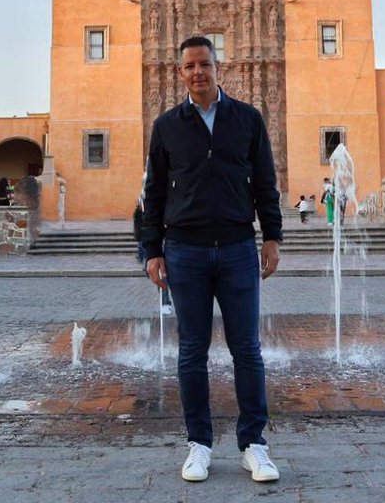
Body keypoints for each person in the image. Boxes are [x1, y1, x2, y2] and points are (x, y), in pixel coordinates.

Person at [141, 35, 282, 484]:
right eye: (189, 66)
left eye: (204, 64)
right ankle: (198, 443)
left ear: (218, 67)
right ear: (179, 73)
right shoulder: (166, 126)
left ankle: (254, 444)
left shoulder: (247, 119)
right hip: (185, 251)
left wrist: (272, 236)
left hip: (239, 247)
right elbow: (154, 194)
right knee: (191, 351)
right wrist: (152, 250)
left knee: (247, 350)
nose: (197, 72)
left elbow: (265, 181)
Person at [134, 201, 172, 314]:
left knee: (165, 275)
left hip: (166, 242)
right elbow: (138, 229)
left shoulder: (158, 209)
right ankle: (165, 302)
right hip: (148, 244)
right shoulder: (141, 212)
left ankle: (167, 302)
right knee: (160, 275)